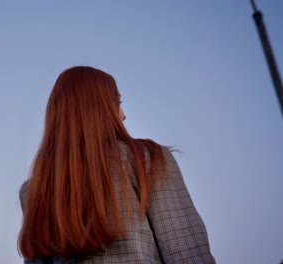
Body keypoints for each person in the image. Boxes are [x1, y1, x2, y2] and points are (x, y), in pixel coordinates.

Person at [18, 66, 215, 264]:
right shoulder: (148, 158)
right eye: (117, 103)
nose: (123, 115)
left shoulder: (34, 190)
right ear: (98, 107)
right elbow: (187, 252)